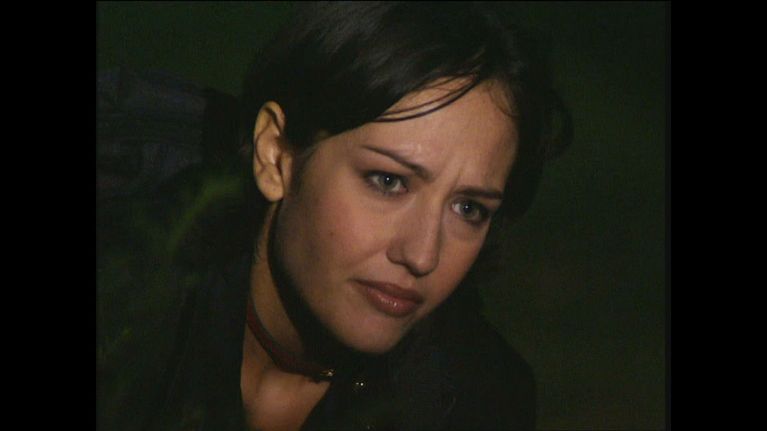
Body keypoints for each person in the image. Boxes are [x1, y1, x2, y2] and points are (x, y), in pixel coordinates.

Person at [97, 2, 572, 430]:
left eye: (469, 208)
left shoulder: (474, 401)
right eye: (388, 181)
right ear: (276, 156)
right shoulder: (122, 292)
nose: (422, 255)